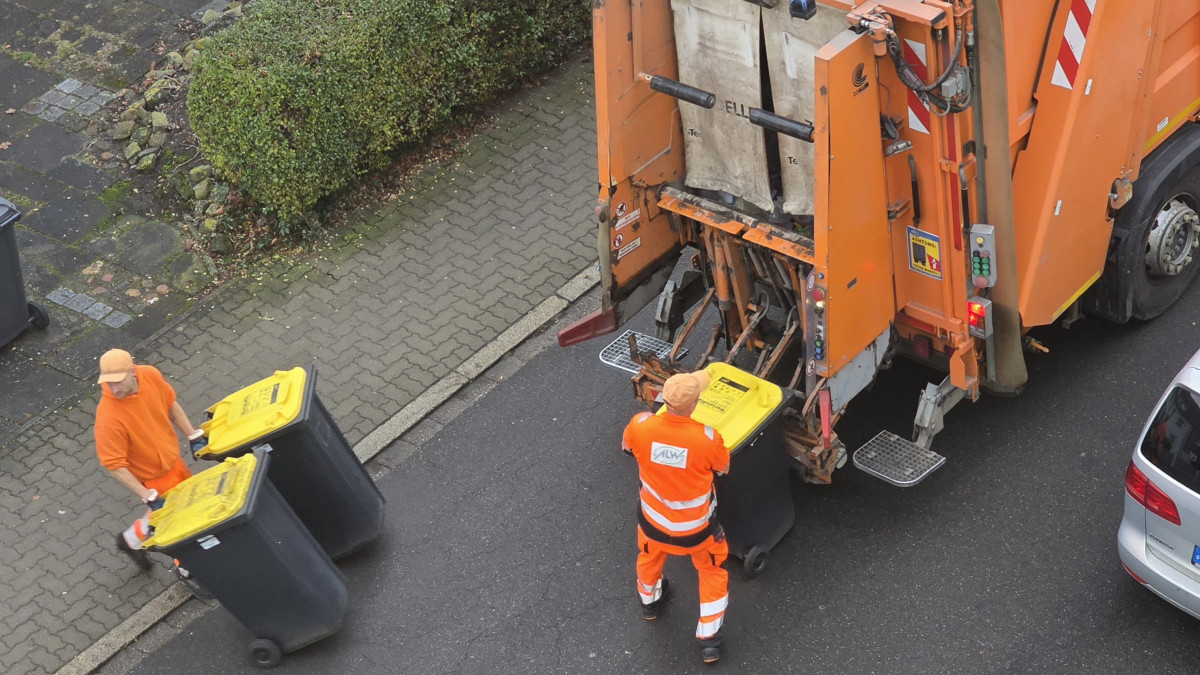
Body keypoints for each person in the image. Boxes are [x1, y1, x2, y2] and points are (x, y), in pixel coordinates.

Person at [622, 369, 730, 664]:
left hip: (652, 524)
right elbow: (722, 468)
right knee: (712, 571)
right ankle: (709, 640)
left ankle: (650, 603)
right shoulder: (707, 439)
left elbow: (628, 448)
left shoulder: (640, 426)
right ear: (694, 405)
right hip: (697, 533)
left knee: (648, 559)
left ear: (662, 399)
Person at [94, 348, 207, 571]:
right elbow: (114, 465)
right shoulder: (108, 419)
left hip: (172, 462)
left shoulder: (151, 375)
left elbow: (170, 404)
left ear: (133, 371)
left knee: (182, 508)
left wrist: (193, 435)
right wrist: (147, 495)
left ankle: (130, 541)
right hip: (153, 477)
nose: (113, 389)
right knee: (179, 522)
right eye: (108, 383)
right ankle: (188, 569)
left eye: (118, 382)